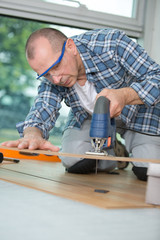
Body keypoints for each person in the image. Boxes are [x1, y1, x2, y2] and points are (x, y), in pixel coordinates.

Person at [2, 28, 160, 181]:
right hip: (90, 118)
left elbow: (157, 76)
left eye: (56, 66)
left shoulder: (111, 43)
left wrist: (125, 95)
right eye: (47, 74)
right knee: (75, 161)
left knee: (148, 169)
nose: (56, 79)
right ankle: (113, 153)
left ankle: (135, 150)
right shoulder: (54, 76)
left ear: (70, 46)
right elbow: (43, 105)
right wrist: (32, 135)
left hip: (139, 114)